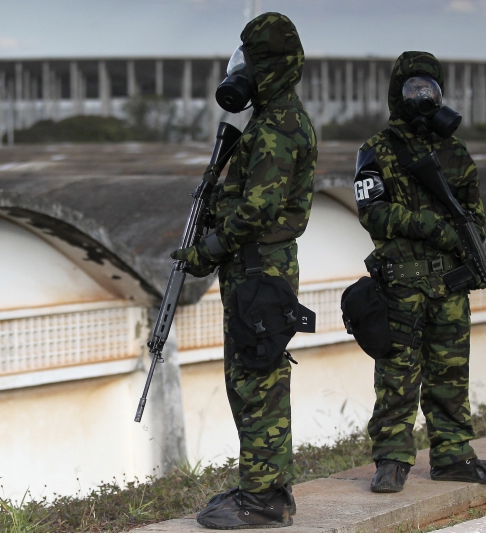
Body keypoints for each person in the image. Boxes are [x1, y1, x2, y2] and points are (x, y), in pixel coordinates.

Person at [171, 12, 316, 530]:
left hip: (262, 271)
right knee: (249, 377)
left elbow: (255, 211)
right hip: (254, 272)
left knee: (259, 380)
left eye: (251, 62)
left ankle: (265, 500)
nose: (242, 72)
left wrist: (206, 249)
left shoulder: (278, 128)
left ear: (271, 67)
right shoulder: (267, 121)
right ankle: (263, 484)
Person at [353, 51, 486, 493]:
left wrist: (465, 246)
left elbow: (475, 220)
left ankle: (453, 453)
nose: (422, 97)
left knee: (450, 373)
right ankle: (392, 459)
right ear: (396, 94)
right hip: (400, 284)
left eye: (430, 89)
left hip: (449, 285)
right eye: (413, 89)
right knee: (397, 376)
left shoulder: (455, 152)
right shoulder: (377, 150)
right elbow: (373, 214)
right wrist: (431, 227)